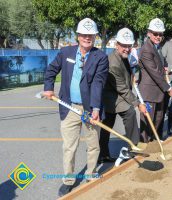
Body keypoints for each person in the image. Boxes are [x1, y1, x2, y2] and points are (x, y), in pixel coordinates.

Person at [43, 18, 109, 196]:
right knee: (69, 147)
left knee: (93, 145)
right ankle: (68, 180)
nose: (87, 37)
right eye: (84, 34)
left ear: (95, 37)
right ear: (78, 36)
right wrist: (48, 88)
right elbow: (51, 70)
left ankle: (91, 173)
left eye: (91, 35)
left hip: (90, 109)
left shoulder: (101, 57)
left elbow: (98, 83)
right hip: (68, 106)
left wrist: (95, 109)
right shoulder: (66, 52)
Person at [99, 28, 147, 162]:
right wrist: (137, 103)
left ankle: (103, 153)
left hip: (117, 93)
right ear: (117, 45)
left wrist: (132, 77)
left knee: (107, 125)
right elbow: (122, 90)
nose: (127, 48)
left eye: (129, 46)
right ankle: (133, 147)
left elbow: (127, 73)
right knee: (130, 112)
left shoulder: (123, 56)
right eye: (124, 46)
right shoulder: (113, 62)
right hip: (111, 97)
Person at [138, 18, 172, 142]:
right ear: (149, 33)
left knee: (157, 120)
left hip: (158, 93)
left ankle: (151, 143)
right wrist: (168, 88)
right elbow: (154, 73)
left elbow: (158, 67)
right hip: (149, 93)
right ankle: (144, 147)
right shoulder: (146, 49)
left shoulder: (156, 48)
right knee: (147, 124)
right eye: (155, 33)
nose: (158, 36)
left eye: (160, 34)